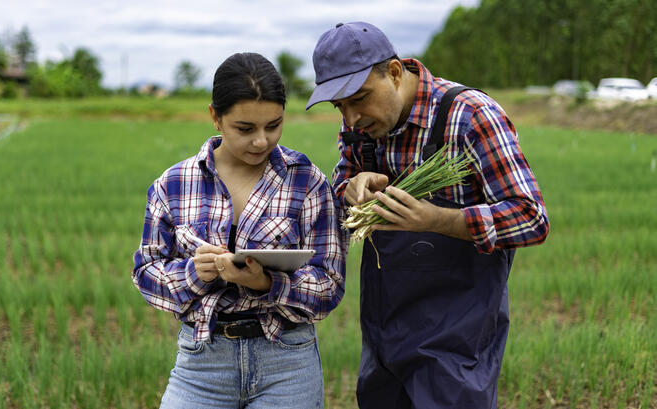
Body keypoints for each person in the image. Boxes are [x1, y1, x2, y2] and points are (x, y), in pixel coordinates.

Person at [306, 22, 550, 409]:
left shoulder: (471, 116)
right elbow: (342, 191)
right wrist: (351, 190)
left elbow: (531, 217)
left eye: (360, 98)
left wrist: (436, 220)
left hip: (458, 341)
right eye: (341, 107)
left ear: (395, 72)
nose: (351, 118)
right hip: (384, 335)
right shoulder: (359, 128)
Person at [131, 52, 347, 409]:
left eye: (274, 125)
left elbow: (329, 286)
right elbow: (146, 273)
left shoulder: (307, 183)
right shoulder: (173, 184)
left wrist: (265, 283)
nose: (261, 141)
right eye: (245, 129)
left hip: (287, 363)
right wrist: (194, 273)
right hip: (202, 363)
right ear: (215, 117)